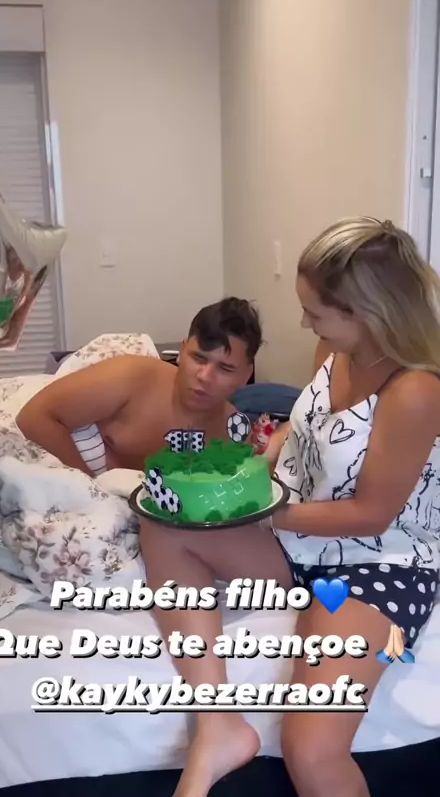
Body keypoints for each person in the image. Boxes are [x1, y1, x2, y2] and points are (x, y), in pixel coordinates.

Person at [139, 217, 440, 797]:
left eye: (316, 313)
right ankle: (218, 725)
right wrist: (267, 455)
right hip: (299, 539)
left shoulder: (415, 392)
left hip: (375, 564)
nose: (306, 324)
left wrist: (256, 511)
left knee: (311, 748)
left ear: (365, 312)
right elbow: (308, 425)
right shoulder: (336, 349)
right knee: (166, 521)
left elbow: (371, 516)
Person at [16, 296, 263, 474]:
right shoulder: (130, 378)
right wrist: (92, 488)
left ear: (246, 376)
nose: (205, 376)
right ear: (181, 351)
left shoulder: (235, 435)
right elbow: (34, 416)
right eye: (198, 358)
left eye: (225, 368)